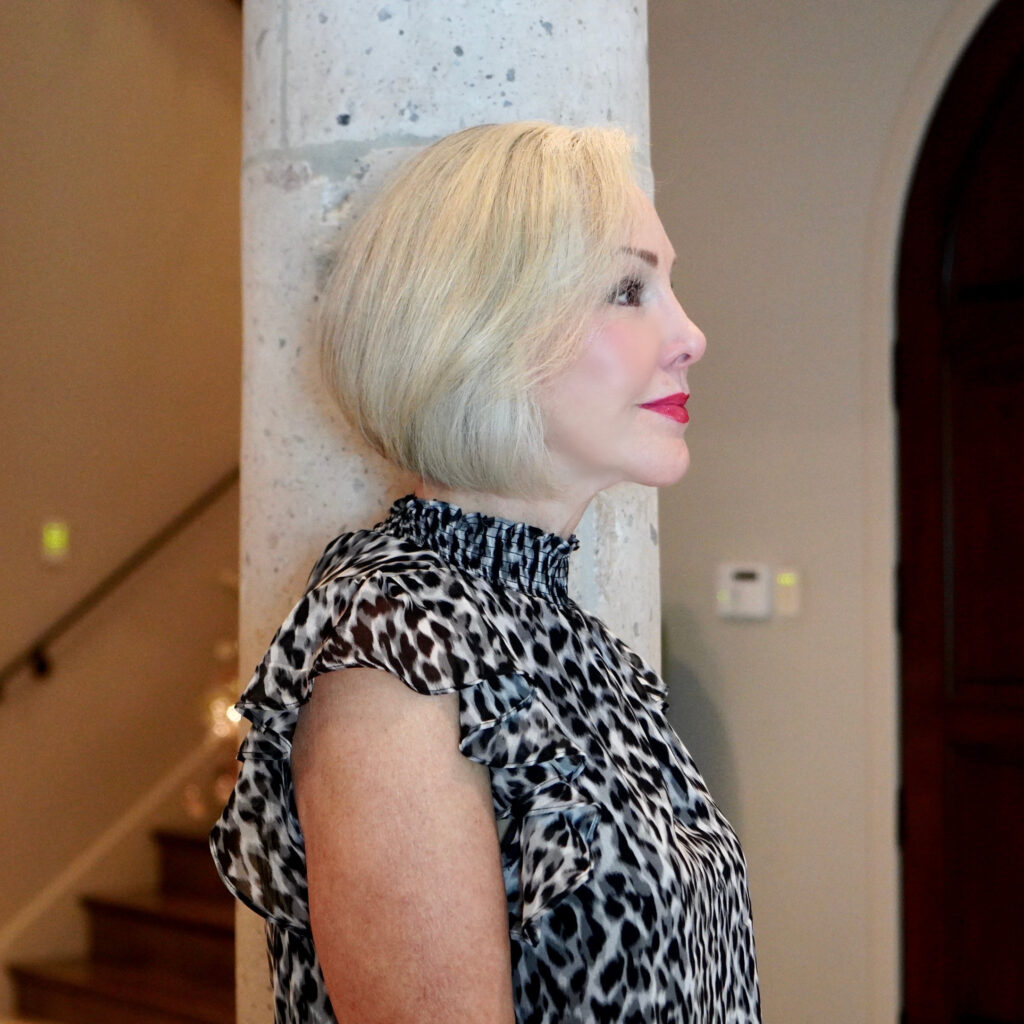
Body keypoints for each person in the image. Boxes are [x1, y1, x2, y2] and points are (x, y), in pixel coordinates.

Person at [211, 121, 760, 1024]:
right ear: (479, 330)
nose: (690, 334)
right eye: (629, 288)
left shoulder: (567, 637)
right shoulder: (394, 647)